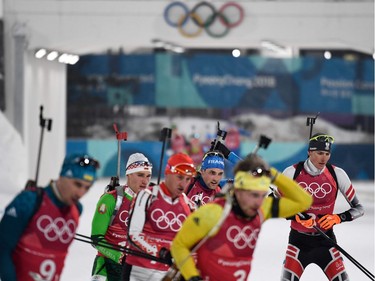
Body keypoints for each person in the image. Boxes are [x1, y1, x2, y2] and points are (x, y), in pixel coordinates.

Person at [170, 153, 313, 281]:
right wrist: (192, 277)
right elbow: (179, 245)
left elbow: (304, 201)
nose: (258, 201)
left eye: (262, 195)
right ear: (238, 191)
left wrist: (273, 175)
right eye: (253, 195)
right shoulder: (213, 212)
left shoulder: (262, 208)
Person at [0, 152, 99, 281]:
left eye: (87, 187)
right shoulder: (29, 201)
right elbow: (2, 248)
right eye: (77, 184)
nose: (81, 193)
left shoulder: (76, 209)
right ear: (62, 177)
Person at [279, 133, 364, 281]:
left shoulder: (337, 174)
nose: (323, 158)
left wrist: (338, 218)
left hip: (326, 241)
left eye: (327, 154)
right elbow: (273, 204)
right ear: (309, 152)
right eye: (319, 153)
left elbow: (359, 208)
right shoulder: (292, 172)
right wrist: (296, 216)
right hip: (298, 242)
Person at [123, 152, 196, 281]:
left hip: (169, 274)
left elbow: (194, 243)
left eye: (188, 179)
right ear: (167, 173)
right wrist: (161, 252)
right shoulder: (147, 196)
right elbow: (133, 234)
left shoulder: (190, 205)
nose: (183, 184)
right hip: (138, 271)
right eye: (179, 177)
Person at [90, 153, 153, 281]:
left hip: (135, 269)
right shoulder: (111, 199)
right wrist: (118, 256)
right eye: (140, 175)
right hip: (106, 266)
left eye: (148, 176)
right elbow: (96, 238)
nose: (145, 181)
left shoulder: (152, 203)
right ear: (129, 174)